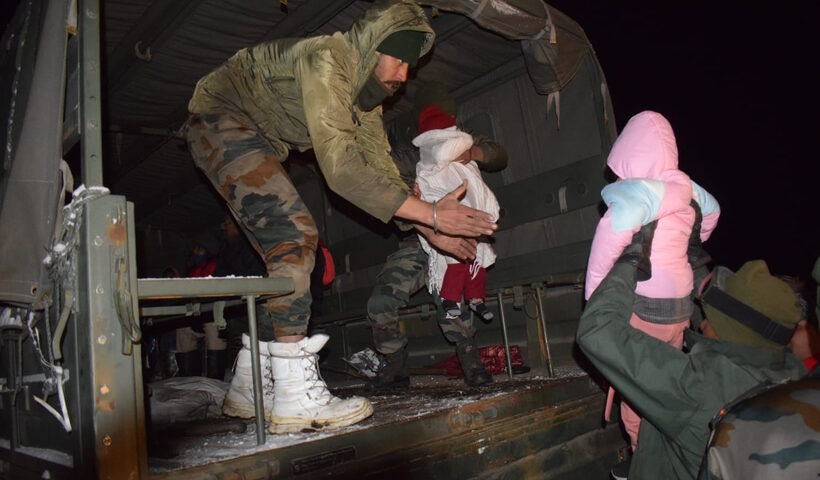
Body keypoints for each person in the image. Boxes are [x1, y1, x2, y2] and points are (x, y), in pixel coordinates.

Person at [183, 0, 497, 433]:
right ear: (375, 46)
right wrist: (433, 216)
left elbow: (380, 171)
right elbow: (343, 170)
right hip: (221, 119)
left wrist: (429, 230)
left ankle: (251, 383)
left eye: (411, 65)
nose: (405, 74)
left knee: (282, 252)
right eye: (400, 59)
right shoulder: (328, 60)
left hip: (254, 136)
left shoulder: (364, 101)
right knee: (295, 235)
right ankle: (293, 396)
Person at [576, 224, 810, 480]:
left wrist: (631, 259)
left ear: (732, 331)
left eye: (712, 316)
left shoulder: (700, 387)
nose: (703, 319)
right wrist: (690, 254)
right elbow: (736, 322)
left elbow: (597, 329)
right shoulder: (792, 370)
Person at [584, 110, 721, 455]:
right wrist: (692, 237)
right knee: (666, 379)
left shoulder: (638, 195)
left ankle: (640, 454)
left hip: (646, 308)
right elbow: (713, 212)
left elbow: (607, 242)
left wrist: (595, 297)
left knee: (637, 388)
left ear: (630, 153)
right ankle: (671, 447)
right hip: (681, 308)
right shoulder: (688, 190)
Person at [366, 81, 508, 388]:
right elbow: (392, 200)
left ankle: (469, 358)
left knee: (450, 296)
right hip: (419, 237)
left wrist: (473, 152)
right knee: (381, 302)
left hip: (459, 234)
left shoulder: (458, 137)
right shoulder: (406, 152)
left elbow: (499, 155)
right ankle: (395, 362)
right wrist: (426, 218)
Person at [413, 104, 499, 323]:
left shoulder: (465, 146)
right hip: (443, 221)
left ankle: (476, 298)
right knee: (456, 260)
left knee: (477, 259)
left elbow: (498, 157)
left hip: (472, 218)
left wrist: (473, 153)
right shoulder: (424, 164)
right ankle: (450, 301)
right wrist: (421, 202)